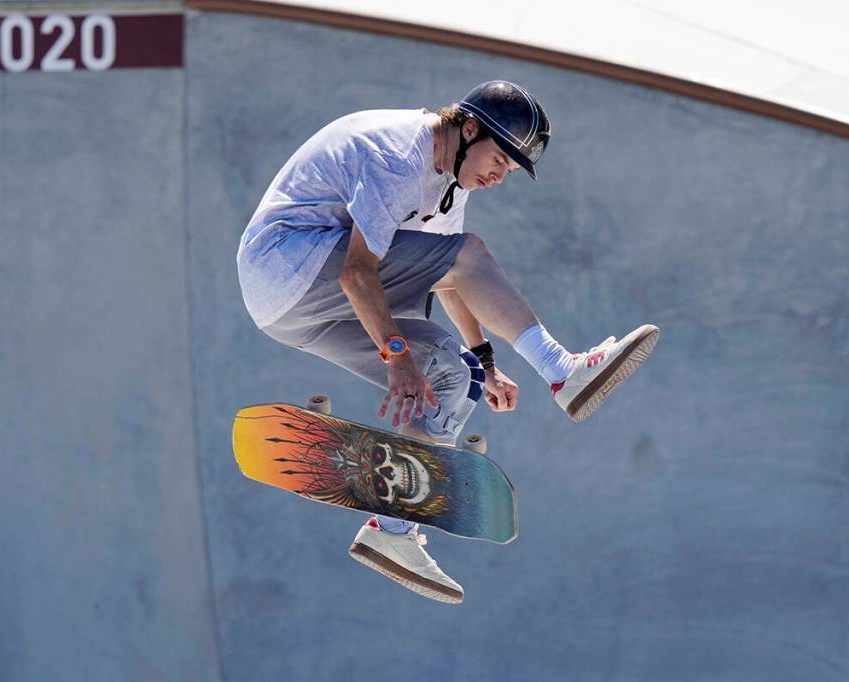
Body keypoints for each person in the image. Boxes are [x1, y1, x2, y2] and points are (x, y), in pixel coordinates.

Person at [237, 80, 659, 604]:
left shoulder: (449, 183)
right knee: (471, 254)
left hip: (293, 314)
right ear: (469, 128)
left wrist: (486, 361)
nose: (498, 177)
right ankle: (562, 370)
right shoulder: (398, 154)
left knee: (452, 377)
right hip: (286, 265)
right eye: (499, 160)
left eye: (509, 171)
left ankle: (391, 533)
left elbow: (450, 277)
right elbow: (358, 272)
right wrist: (396, 356)